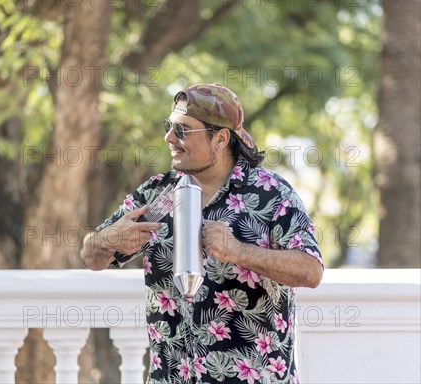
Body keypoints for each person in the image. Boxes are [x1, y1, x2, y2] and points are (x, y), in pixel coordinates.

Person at [80, 84, 324, 384]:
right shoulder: (158, 194)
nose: (169, 137)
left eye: (182, 130)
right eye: (169, 127)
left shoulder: (272, 195)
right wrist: (106, 240)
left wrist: (238, 251)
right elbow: (91, 258)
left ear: (220, 138)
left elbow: (311, 270)